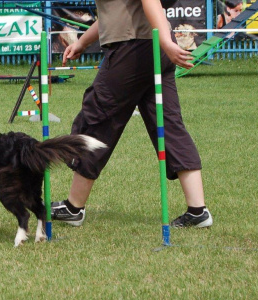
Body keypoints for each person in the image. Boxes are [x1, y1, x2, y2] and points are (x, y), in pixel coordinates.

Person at [51, 0, 213, 228]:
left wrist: (166, 42)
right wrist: (82, 43)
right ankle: (198, 210)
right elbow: (115, 13)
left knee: (96, 120)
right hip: (152, 47)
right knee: (169, 125)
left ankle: (73, 207)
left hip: (132, 50)